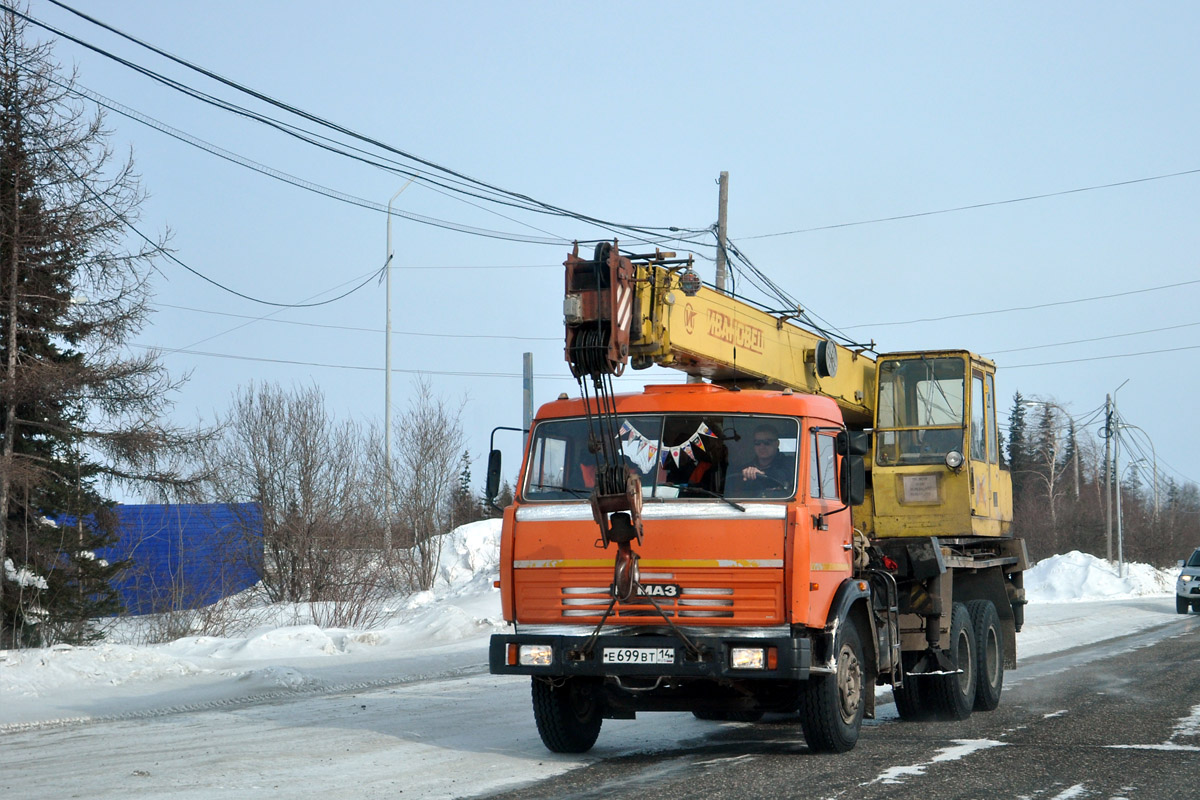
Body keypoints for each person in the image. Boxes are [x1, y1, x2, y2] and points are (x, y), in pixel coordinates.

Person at [731, 423, 794, 496]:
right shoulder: (745, 469)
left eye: (767, 442)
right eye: (757, 443)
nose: (762, 447)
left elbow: (783, 475)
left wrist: (760, 474)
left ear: (777, 443)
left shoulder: (790, 463)